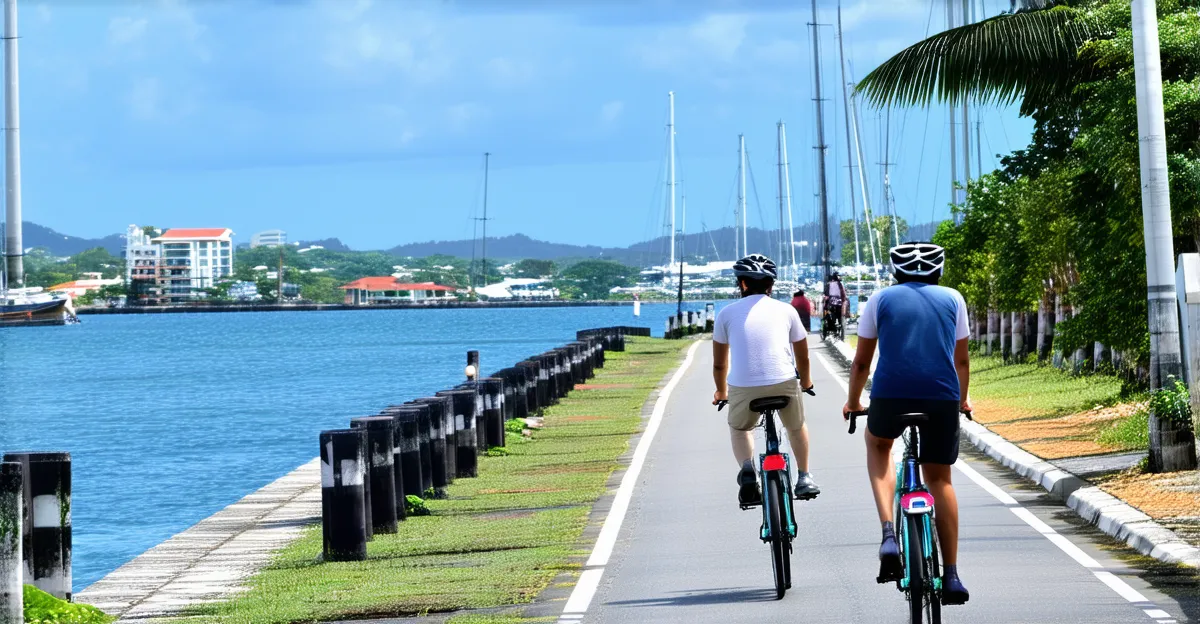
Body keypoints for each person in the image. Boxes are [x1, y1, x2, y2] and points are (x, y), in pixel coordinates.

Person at [841, 242, 971, 605]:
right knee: (939, 478)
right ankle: (953, 576)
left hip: (890, 396)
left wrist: (854, 403)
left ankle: (887, 533)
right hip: (942, 397)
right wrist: (961, 400)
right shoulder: (954, 299)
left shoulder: (879, 300)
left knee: (878, 444)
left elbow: (862, 364)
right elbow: (961, 362)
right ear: (938, 271)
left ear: (896, 272)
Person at [712, 254, 819, 505]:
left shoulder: (726, 314)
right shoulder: (787, 310)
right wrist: (806, 383)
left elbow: (719, 364)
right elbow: (802, 359)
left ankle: (748, 469)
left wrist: (720, 392)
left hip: (743, 386)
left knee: (739, 429)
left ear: (742, 284)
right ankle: (804, 477)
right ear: (771, 285)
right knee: (796, 426)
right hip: (784, 381)